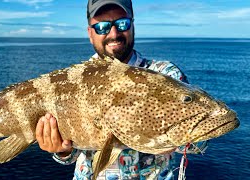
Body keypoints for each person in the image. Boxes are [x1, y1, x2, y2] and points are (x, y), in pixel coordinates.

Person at [35, 0, 208, 179]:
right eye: (102, 26)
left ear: (132, 25)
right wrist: (62, 151)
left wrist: (179, 134)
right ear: (90, 33)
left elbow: (201, 142)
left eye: (122, 23)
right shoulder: (72, 83)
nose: (114, 33)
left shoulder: (165, 74)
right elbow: (70, 156)